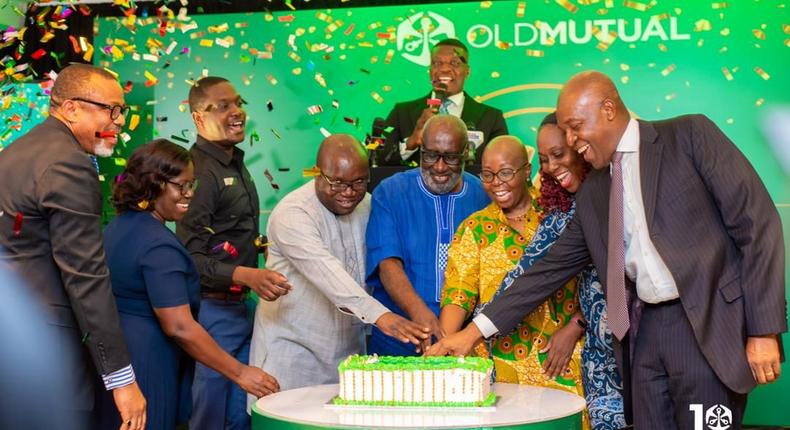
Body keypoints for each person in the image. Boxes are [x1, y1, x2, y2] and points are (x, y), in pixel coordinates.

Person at [427, 71, 786, 430]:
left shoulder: (689, 136)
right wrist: (470, 334)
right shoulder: (595, 192)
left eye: (575, 126)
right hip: (643, 335)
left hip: (703, 329)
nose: (571, 140)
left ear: (609, 110)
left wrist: (763, 331)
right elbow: (545, 271)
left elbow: (758, 224)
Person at [0, 64, 147, 430]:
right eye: (110, 109)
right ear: (71, 109)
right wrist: (121, 379)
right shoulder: (69, 164)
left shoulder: (16, 151)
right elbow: (86, 277)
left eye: (122, 111)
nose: (118, 121)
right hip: (45, 347)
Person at [100, 140, 280, 430]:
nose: (188, 195)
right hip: (149, 361)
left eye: (191, 185)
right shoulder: (159, 245)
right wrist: (240, 373)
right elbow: (179, 326)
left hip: (119, 357)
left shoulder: (118, 227)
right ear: (153, 184)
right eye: (180, 186)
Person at [248, 134, 429, 397]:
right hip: (293, 356)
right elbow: (330, 276)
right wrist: (383, 317)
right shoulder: (293, 214)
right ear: (317, 173)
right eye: (337, 183)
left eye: (358, 182)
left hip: (348, 357)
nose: (348, 192)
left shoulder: (367, 203)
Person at [439, 136, 587, 413]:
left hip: (562, 359)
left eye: (506, 172)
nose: (496, 182)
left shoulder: (560, 215)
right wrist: (448, 344)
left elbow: (597, 281)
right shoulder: (475, 228)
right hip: (500, 367)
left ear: (527, 170)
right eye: (487, 174)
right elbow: (458, 293)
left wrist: (575, 328)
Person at [176, 76, 291, 430]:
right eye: (222, 106)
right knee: (211, 409)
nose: (236, 111)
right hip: (213, 309)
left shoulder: (233, 161)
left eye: (238, 102)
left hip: (241, 306)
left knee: (241, 412)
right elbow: (190, 258)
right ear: (198, 118)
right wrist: (247, 275)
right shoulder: (199, 172)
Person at [366, 114, 490, 356]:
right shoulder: (390, 192)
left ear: (466, 152)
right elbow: (387, 264)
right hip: (400, 338)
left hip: (464, 343)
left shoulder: (483, 196)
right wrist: (421, 314)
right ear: (420, 150)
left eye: (451, 157)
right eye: (431, 155)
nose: (440, 167)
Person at [534, 113, 625, 430]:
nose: (550, 167)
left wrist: (577, 322)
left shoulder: (622, 190)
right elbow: (531, 273)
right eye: (543, 159)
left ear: (579, 145)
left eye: (558, 154)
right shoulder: (559, 211)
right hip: (599, 358)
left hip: (643, 349)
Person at [377, 38, 508, 166]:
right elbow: (379, 161)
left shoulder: (492, 118)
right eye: (437, 63)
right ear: (430, 71)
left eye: (455, 63)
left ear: (467, 71)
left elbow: (501, 167)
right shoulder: (402, 113)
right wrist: (411, 142)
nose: (444, 69)